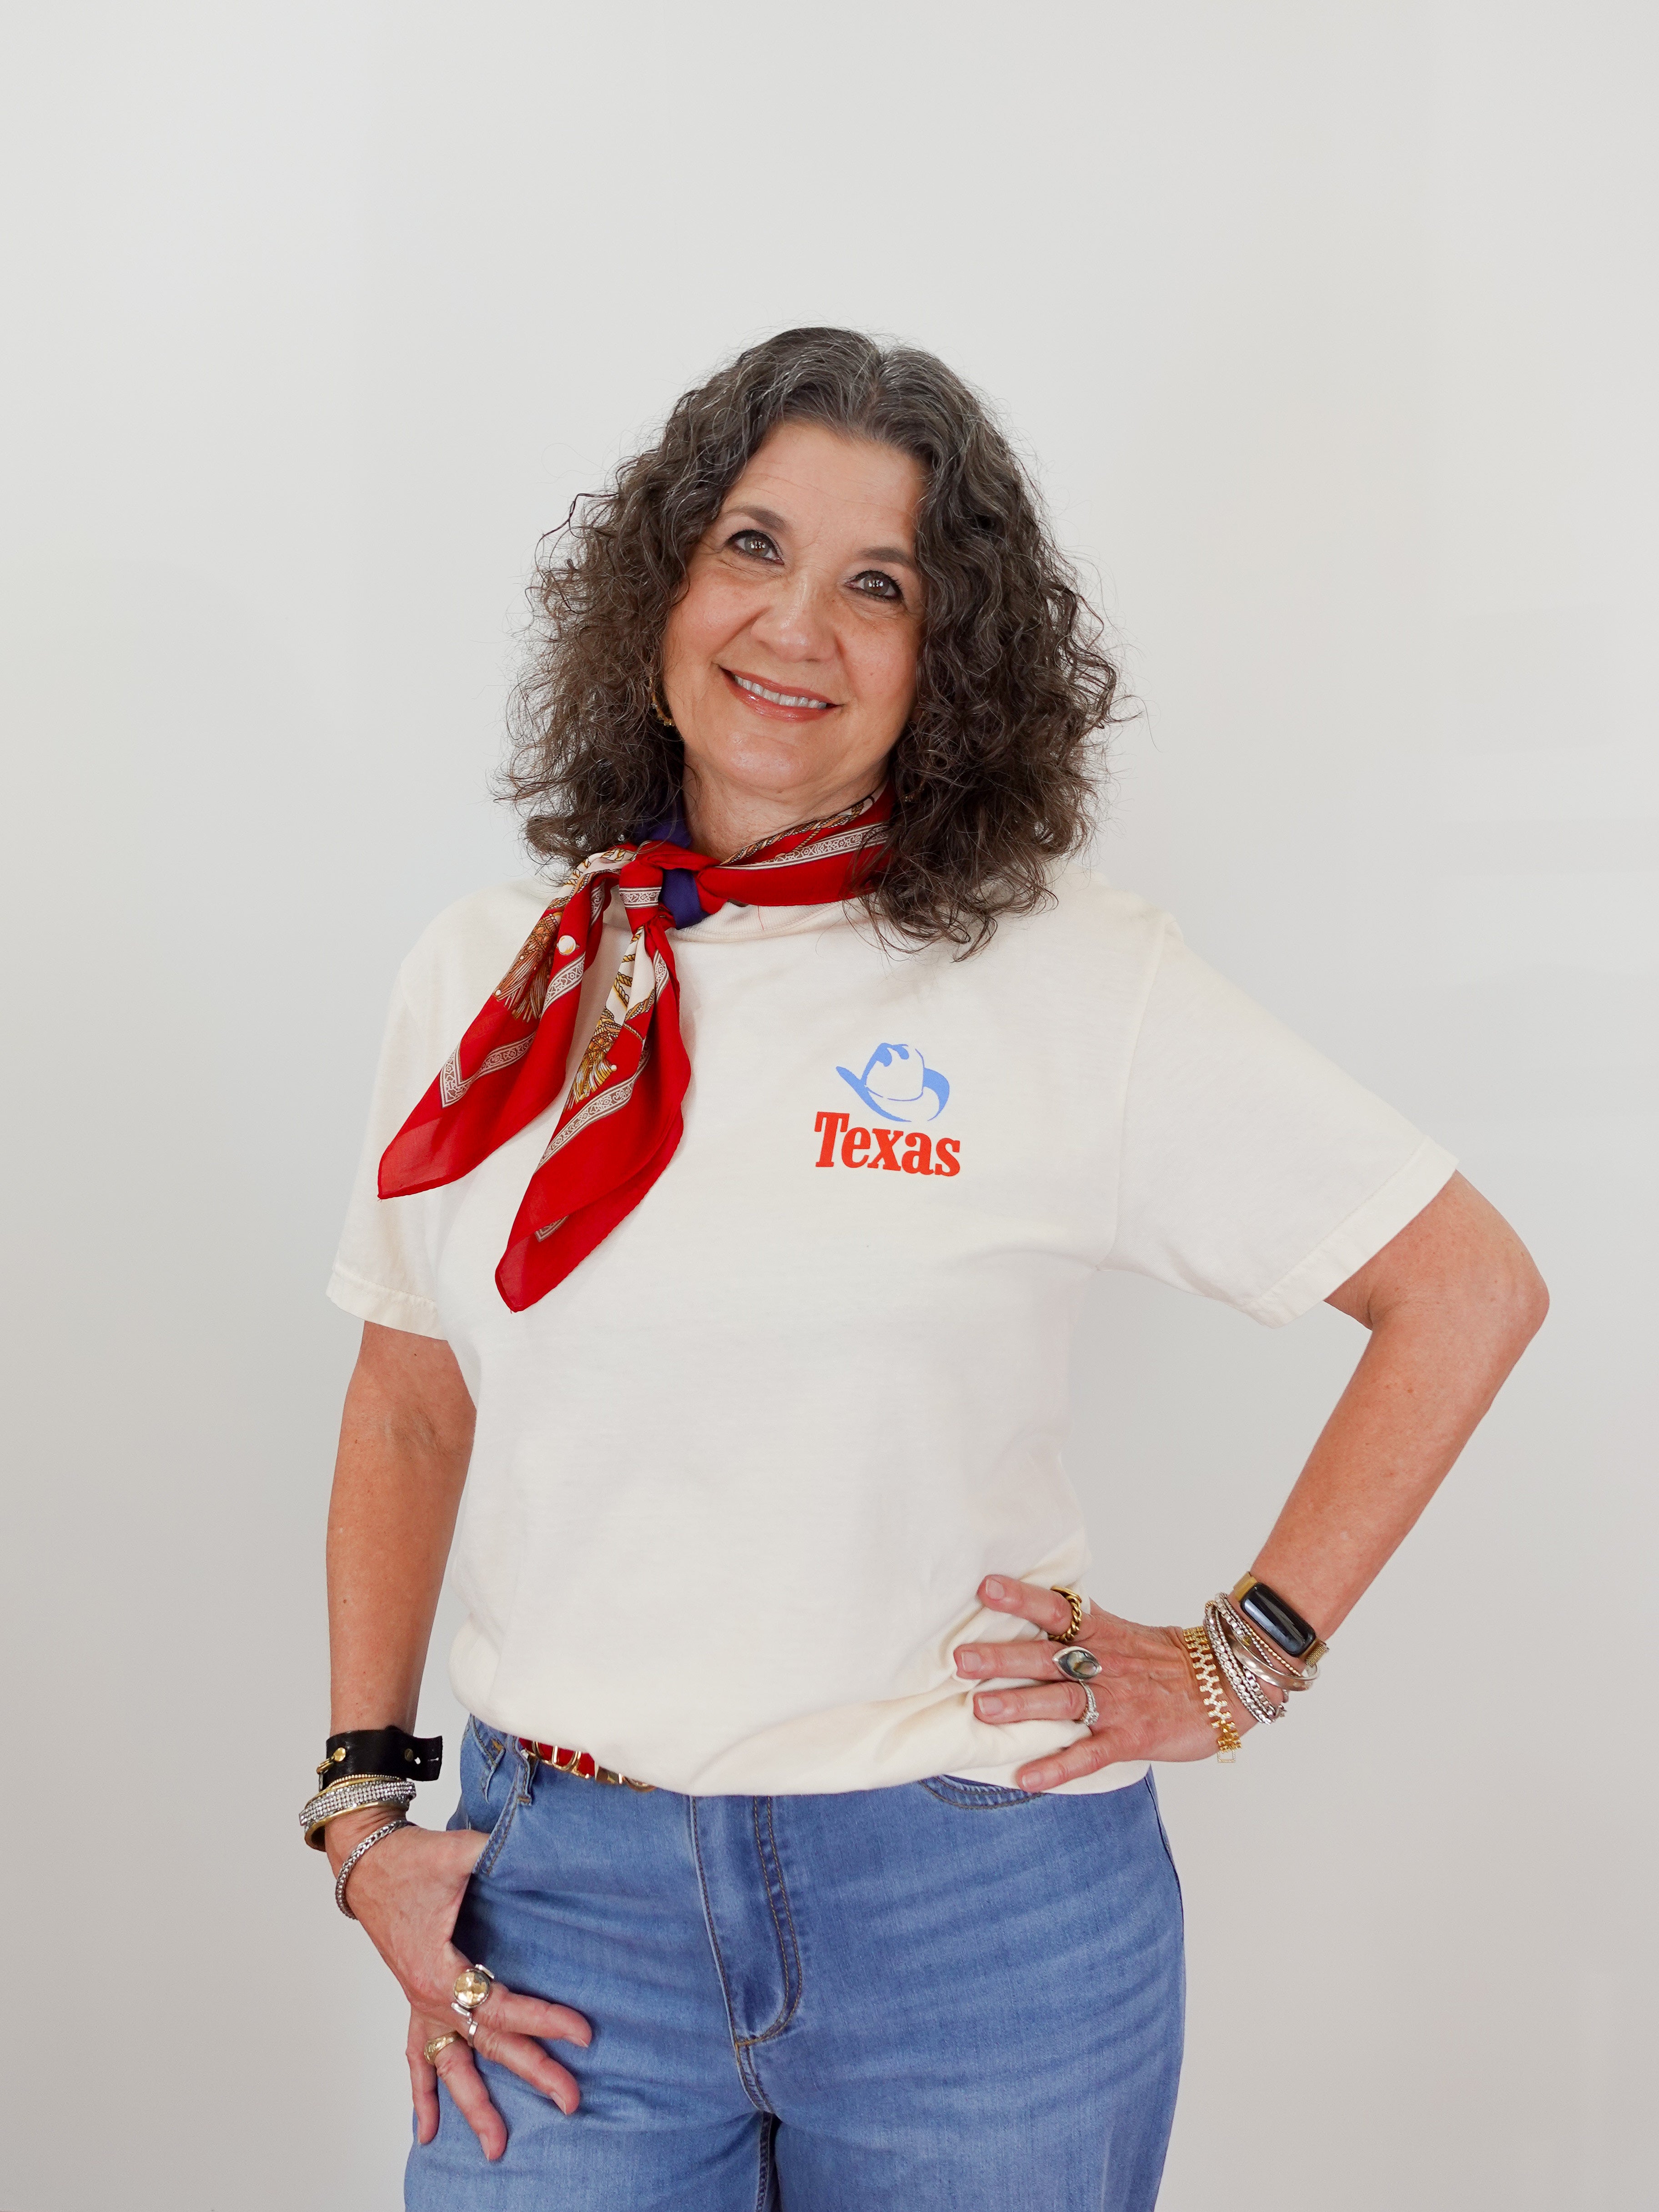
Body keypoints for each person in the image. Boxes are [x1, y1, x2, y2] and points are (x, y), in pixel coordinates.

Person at [310, 327, 1546, 2212]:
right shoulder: (493, 969)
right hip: (563, 1906)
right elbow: (413, 1396)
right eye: (753, 546)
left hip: (979, 1910)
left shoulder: (1067, 974)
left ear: (944, 664)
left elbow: (1465, 1285)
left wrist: (1241, 1662)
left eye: (877, 585)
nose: (795, 624)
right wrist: (361, 1807)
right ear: (663, 583)